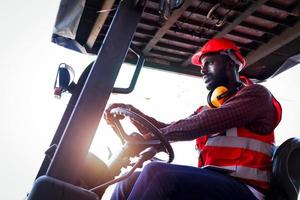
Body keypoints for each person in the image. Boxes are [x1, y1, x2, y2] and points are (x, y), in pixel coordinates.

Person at [104, 38, 282, 200]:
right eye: (202, 66)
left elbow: (205, 122)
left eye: (209, 63)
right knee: (129, 179)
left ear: (230, 63)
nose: (203, 70)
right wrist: (131, 113)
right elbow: (169, 129)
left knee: (156, 173)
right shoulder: (209, 109)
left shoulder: (256, 95)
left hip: (247, 191)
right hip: (215, 184)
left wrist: (156, 137)